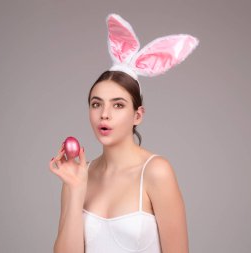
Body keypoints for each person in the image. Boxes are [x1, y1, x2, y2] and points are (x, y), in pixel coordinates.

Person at [49, 14, 199, 253]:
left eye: (118, 105)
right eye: (96, 104)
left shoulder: (156, 171)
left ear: (137, 115)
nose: (104, 114)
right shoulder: (78, 175)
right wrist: (76, 189)